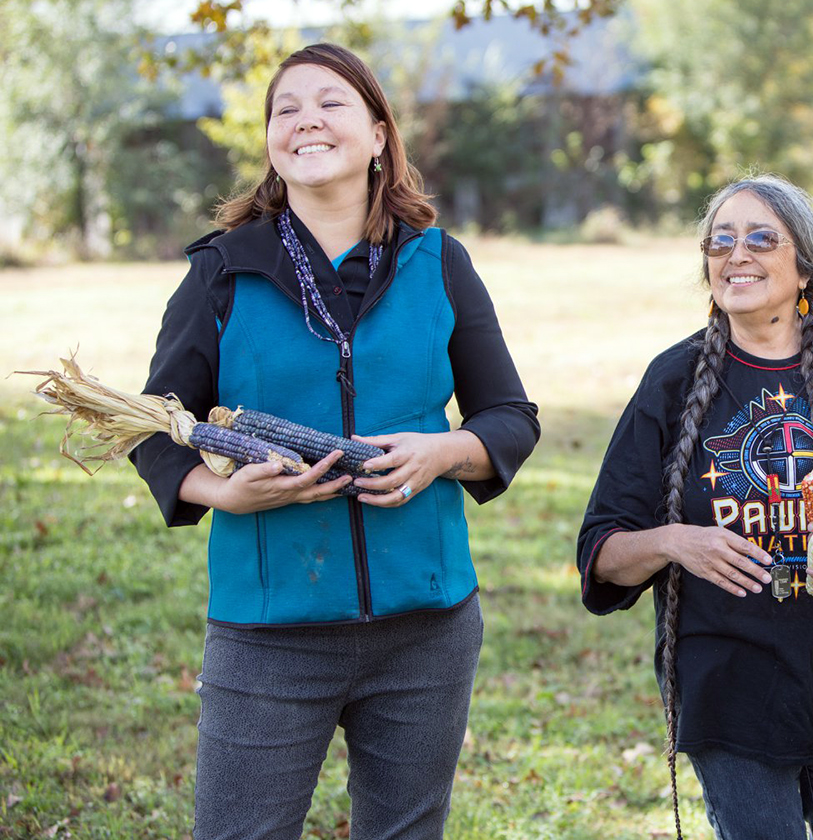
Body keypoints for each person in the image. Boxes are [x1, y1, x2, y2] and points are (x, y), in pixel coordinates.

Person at [130, 43, 539, 839]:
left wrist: (441, 454)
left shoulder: (439, 262)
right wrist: (220, 491)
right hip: (270, 633)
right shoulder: (222, 270)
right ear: (273, 142)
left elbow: (508, 417)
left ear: (380, 134)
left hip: (428, 627)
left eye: (332, 103)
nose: (307, 120)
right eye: (287, 108)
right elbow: (156, 422)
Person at [576, 174, 813, 839]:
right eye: (719, 241)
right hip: (728, 686)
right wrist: (673, 543)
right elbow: (601, 552)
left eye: (761, 238)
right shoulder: (673, 378)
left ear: (803, 263)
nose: (736, 254)